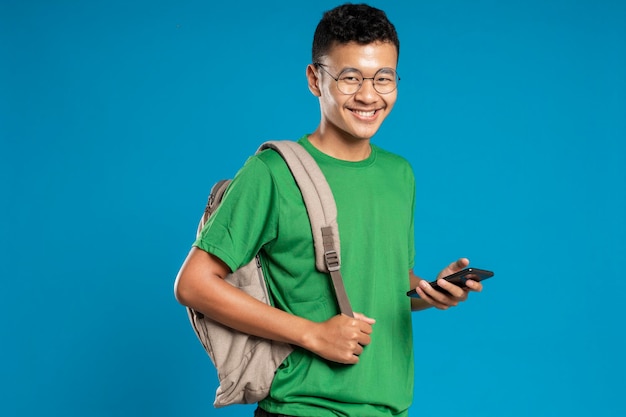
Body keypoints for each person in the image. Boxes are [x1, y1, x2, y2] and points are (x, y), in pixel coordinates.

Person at [174, 3, 483, 416]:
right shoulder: (273, 172)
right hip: (303, 407)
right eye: (350, 77)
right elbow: (193, 284)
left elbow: (384, 282)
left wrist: (431, 291)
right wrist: (313, 334)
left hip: (390, 407)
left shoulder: (399, 173)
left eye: (383, 78)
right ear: (315, 79)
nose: (369, 95)